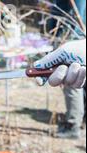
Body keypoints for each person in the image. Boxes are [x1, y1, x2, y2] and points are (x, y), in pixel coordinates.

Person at [39, 0, 86, 139]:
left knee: (72, 84)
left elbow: (74, 16)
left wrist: (66, 39)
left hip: (71, 37)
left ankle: (73, 125)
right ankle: (78, 119)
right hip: (73, 36)